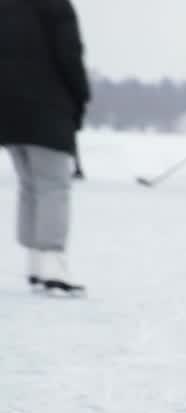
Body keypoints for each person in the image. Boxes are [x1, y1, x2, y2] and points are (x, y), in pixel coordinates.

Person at [0, 0, 90, 294]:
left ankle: (35, 262)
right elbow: (69, 55)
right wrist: (81, 97)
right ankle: (52, 265)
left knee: (30, 185)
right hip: (47, 110)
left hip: (8, 113)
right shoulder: (54, 5)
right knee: (53, 186)